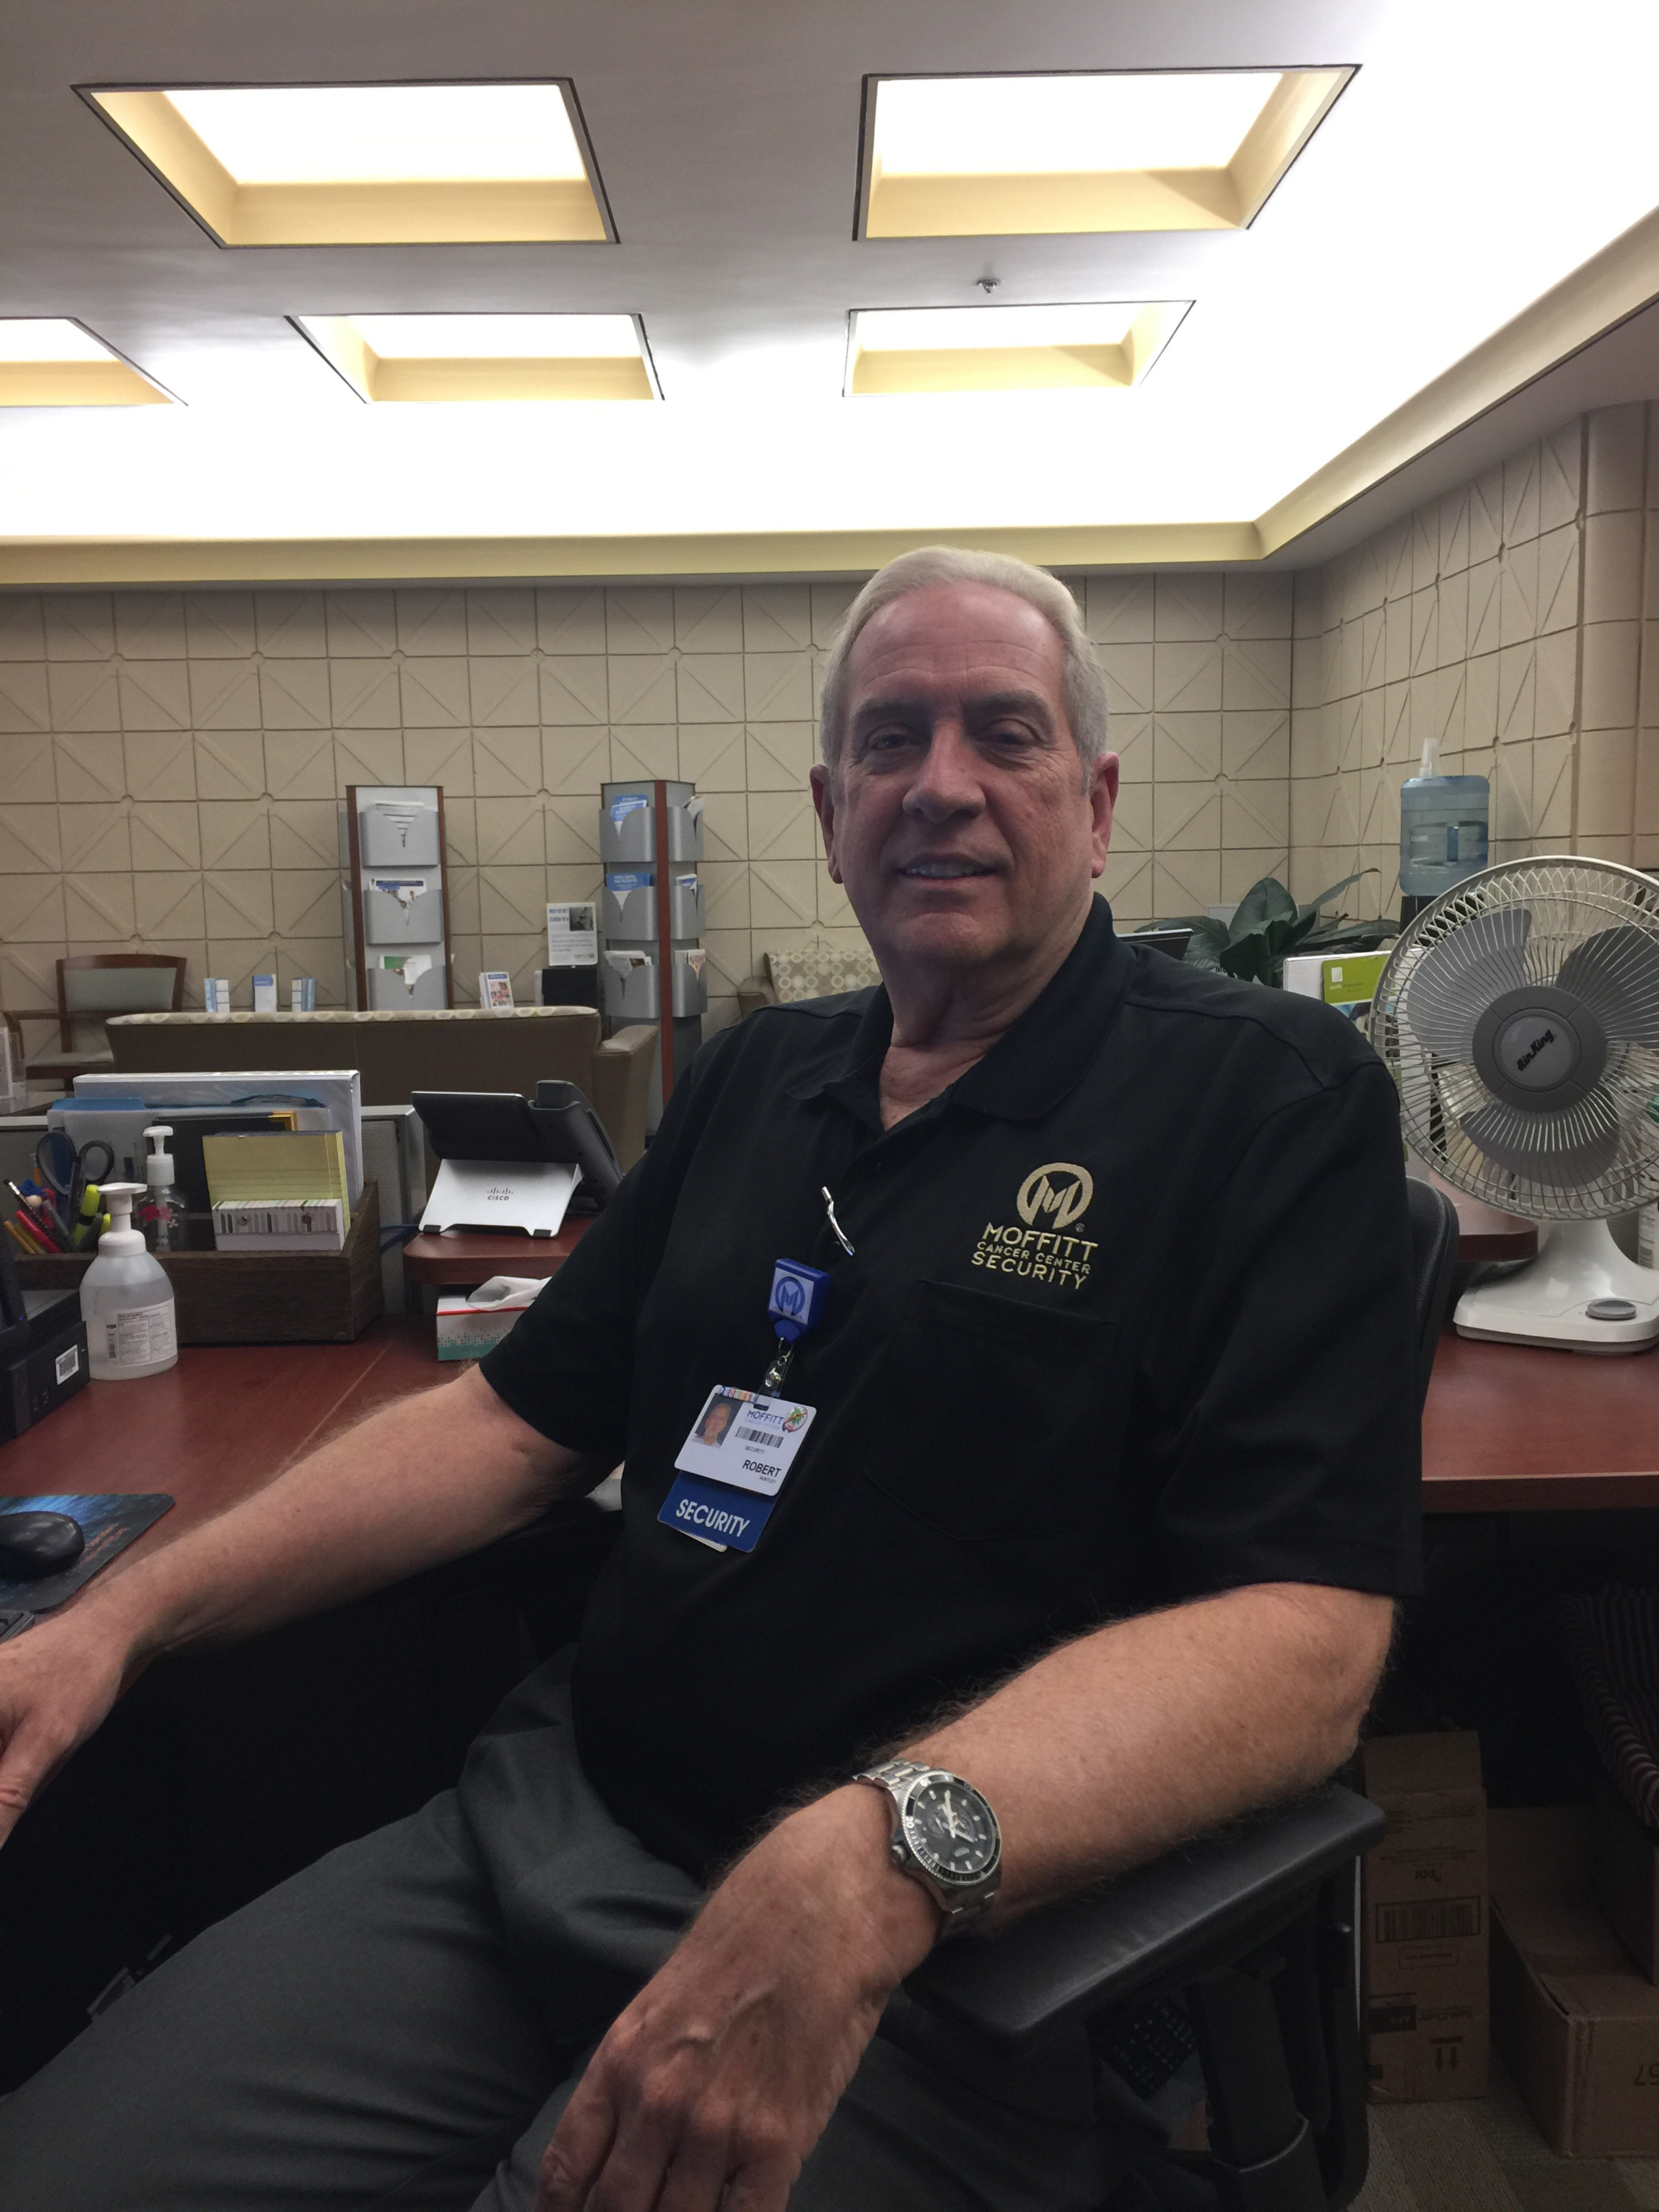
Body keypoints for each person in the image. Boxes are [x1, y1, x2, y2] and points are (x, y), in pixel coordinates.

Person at [0, 548, 1419, 2212]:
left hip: (931, 1961)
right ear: (831, 813)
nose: (940, 784)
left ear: (1095, 805)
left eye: (1004, 733)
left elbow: (1307, 1643)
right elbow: (508, 1424)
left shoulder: (1267, 1098)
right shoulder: (757, 1078)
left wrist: (877, 1856)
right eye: (889, 740)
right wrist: (118, 1621)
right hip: (551, 1834)